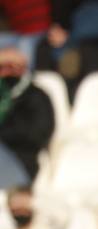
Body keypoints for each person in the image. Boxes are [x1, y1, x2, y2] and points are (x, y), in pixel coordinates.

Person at [0, 44, 53, 190]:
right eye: (1, 67)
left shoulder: (36, 96)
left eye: (11, 66)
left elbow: (38, 134)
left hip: (21, 160)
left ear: (22, 68)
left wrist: (5, 133)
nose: (5, 72)